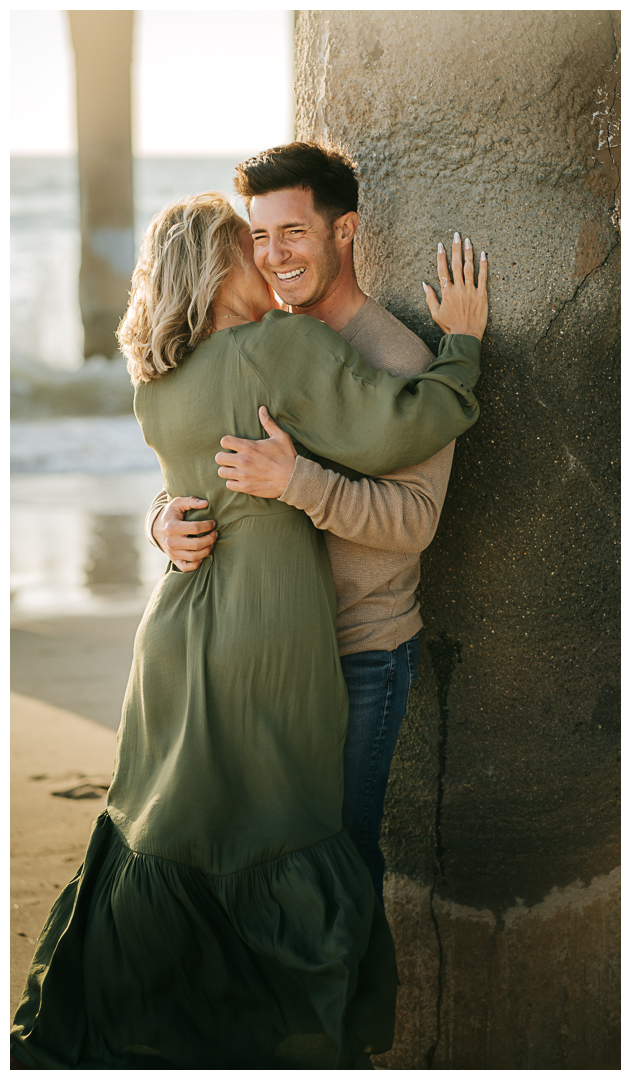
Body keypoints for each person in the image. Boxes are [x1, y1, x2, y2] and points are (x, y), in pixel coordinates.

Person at [10, 191, 487, 1070]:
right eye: (248, 246)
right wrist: (462, 349)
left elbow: (192, 487)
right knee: (284, 850)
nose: (268, 261)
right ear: (218, 266)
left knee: (172, 842)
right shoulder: (284, 347)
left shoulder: (158, 382)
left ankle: (155, 1043)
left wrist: (162, 521)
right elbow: (402, 427)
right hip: (268, 646)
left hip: (174, 640)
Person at [147, 141, 489, 903]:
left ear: (345, 232)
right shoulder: (249, 348)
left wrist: (298, 480)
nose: (273, 256)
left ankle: (345, 1020)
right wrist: (163, 519)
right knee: (254, 876)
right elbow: (196, 465)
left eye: (293, 232)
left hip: (358, 652)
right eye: (258, 237)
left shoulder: (398, 361)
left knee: (333, 868)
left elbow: (412, 525)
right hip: (257, 659)